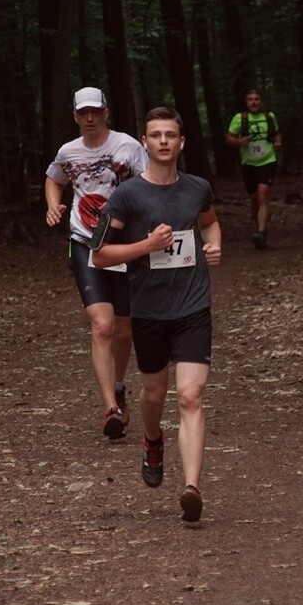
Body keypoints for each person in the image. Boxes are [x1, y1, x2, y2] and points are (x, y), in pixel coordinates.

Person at [93, 106, 222, 523]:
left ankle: (191, 488)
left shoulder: (198, 187)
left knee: (189, 395)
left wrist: (214, 243)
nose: (164, 141)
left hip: (192, 306)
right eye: (155, 135)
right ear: (144, 143)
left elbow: (210, 223)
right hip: (148, 309)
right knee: (153, 395)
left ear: (181, 143)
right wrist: (146, 247)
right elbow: (99, 254)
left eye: (171, 134)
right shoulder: (127, 195)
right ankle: (152, 438)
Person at [45, 86, 148, 440]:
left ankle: (118, 385)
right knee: (102, 325)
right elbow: (53, 178)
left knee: (124, 328)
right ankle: (110, 408)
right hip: (84, 242)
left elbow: (149, 185)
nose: (89, 118)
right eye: (83, 113)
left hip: (124, 245)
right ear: (75, 116)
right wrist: (52, 204)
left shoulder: (128, 146)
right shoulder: (67, 152)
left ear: (105, 112)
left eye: (95, 112)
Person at [226, 89, 282, 250]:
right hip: (248, 163)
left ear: (261, 101)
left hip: (267, 160)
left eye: (257, 99)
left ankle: (261, 232)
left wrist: (278, 143)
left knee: (263, 196)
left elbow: (277, 134)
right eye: (250, 99)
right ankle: (259, 231)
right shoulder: (240, 118)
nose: (254, 102)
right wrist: (240, 141)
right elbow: (229, 138)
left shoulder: (269, 117)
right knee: (255, 200)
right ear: (246, 102)